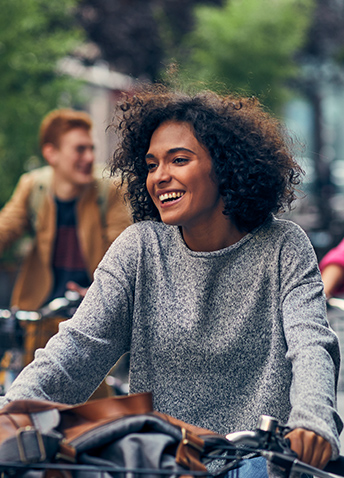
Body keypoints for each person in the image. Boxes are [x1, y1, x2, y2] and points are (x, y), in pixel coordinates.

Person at [0, 87, 342, 478]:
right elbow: (77, 347)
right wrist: (13, 411)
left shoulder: (284, 246)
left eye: (179, 160)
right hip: (164, 464)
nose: (160, 176)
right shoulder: (140, 248)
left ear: (226, 166)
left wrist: (313, 421)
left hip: (259, 463)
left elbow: (312, 344)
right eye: (151, 164)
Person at [0, 108, 132, 364]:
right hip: (40, 310)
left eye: (91, 148)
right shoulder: (34, 186)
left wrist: (104, 295)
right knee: (23, 390)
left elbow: (123, 249)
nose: (90, 157)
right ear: (52, 154)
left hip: (90, 313)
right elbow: (7, 226)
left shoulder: (109, 190)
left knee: (87, 397)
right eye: (80, 149)